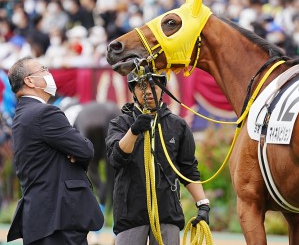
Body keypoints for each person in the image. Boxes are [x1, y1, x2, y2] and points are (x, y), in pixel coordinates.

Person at [105, 68, 210, 245]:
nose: (147, 91)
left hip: (167, 213)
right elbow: (116, 158)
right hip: (130, 214)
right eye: (141, 86)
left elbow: (188, 169)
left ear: (162, 87)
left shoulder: (178, 126)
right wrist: (134, 131)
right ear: (132, 91)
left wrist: (203, 203)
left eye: (153, 85)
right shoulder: (120, 123)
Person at [6, 56, 104, 245]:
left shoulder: (22, 114)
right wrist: (74, 152)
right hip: (59, 218)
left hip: (41, 218)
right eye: (43, 70)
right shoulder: (45, 113)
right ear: (29, 80)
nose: (49, 74)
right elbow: (85, 150)